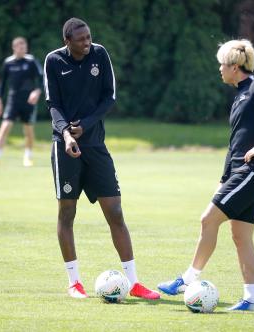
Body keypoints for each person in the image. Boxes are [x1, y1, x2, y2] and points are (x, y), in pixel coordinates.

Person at [157, 39, 254, 312]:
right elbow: (235, 143)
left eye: (222, 64)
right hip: (240, 173)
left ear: (235, 66)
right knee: (241, 237)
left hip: (253, 171)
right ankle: (252, 300)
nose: (219, 69)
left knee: (207, 220)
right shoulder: (240, 95)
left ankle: (187, 279)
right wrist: (224, 177)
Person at [44, 17, 160, 300]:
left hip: (95, 146)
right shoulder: (53, 61)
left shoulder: (100, 53)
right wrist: (68, 135)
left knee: (116, 213)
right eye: (81, 39)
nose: (87, 42)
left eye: (89, 37)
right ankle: (74, 282)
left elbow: (109, 97)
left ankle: (133, 283)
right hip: (65, 147)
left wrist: (85, 125)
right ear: (67, 41)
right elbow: (53, 105)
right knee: (67, 214)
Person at [0, 37, 42, 167]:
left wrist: (37, 91)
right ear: (14, 48)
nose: (23, 49)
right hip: (13, 100)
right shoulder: (8, 62)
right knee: (5, 127)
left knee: (28, 130)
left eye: (25, 47)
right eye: (20, 47)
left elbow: (42, 79)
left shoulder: (31, 61)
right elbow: (2, 84)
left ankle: (28, 157)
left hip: (28, 101)